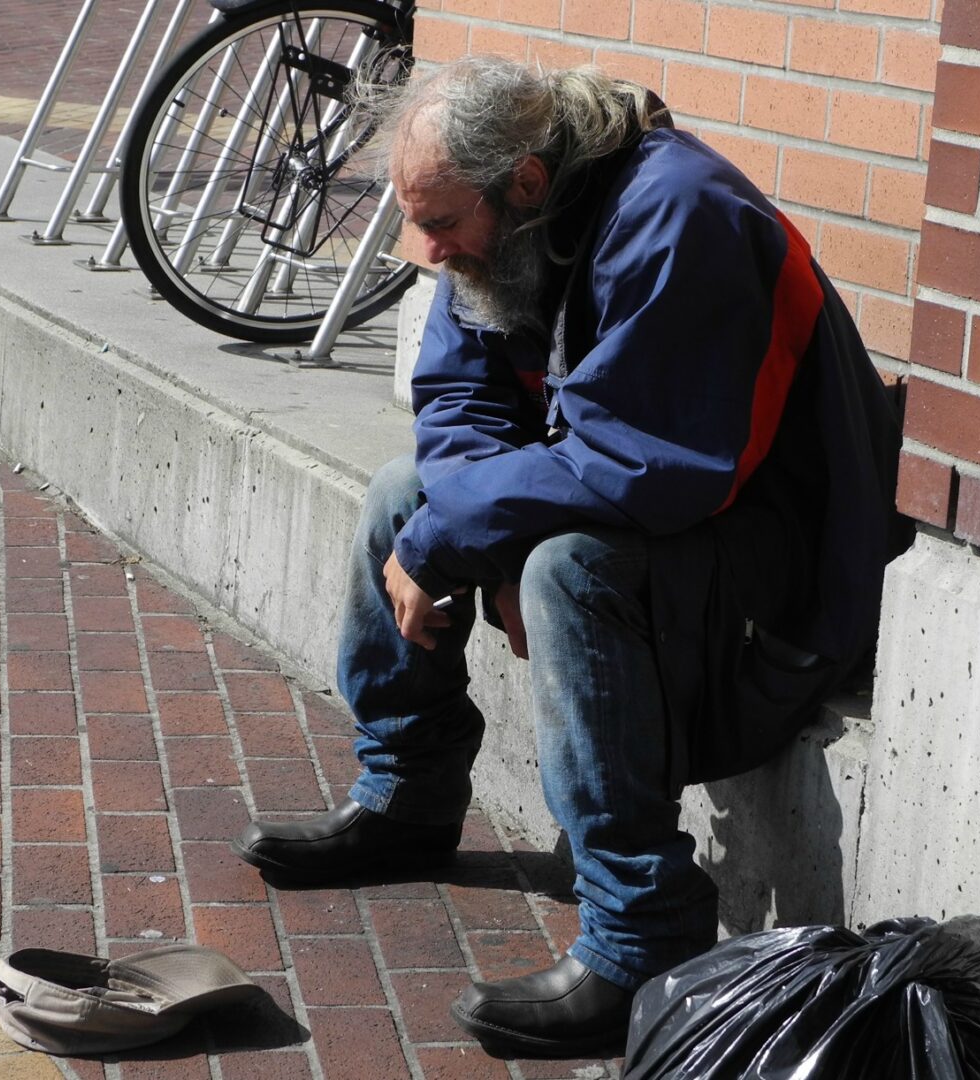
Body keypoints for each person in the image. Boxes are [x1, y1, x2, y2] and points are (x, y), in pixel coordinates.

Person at [232, 57, 907, 1059]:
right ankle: (407, 798)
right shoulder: (499, 234)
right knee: (398, 497)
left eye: (443, 220)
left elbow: (653, 467)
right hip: (662, 517)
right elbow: (455, 404)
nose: (425, 249)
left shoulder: (682, 215)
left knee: (564, 570)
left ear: (527, 184)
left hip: (781, 577)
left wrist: (474, 538)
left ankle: (639, 934)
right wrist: (459, 525)